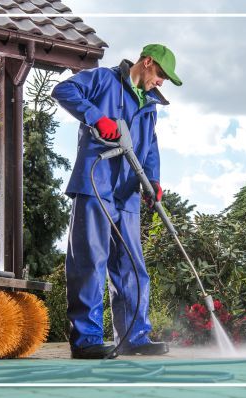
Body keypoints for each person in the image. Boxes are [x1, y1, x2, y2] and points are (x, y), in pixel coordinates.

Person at [51, 44, 182, 359]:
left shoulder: (148, 105)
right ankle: (86, 341)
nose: (161, 81)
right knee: (90, 261)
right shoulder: (103, 80)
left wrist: (153, 181)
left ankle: (134, 337)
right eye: (160, 73)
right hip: (95, 183)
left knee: (131, 266)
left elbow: (149, 147)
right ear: (146, 62)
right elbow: (63, 90)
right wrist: (97, 118)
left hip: (127, 193)